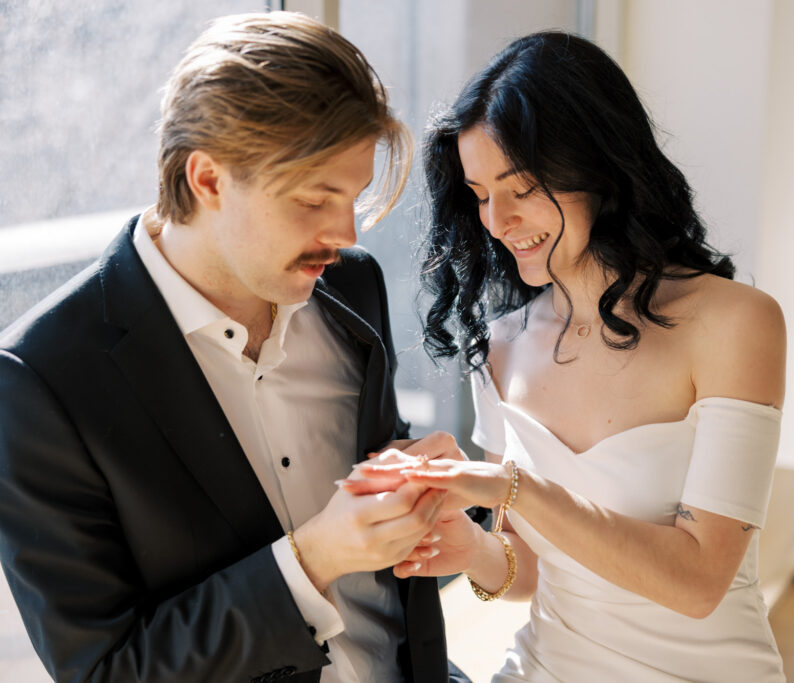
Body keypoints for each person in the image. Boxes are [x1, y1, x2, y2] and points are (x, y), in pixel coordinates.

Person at [0, 12, 468, 683]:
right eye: (315, 199)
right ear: (208, 179)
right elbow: (105, 670)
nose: (344, 232)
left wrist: (416, 483)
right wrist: (311, 559)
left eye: (354, 196)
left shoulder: (352, 288)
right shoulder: (38, 381)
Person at [353, 31, 788, 682]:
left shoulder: (735, 323)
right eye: (478, 194)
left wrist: (511, 487)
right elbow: (528, 570)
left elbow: (699, 580)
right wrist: (466, 542)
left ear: (600, 167)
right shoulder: (499, 347)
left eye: (520, 186)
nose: (496, 220)